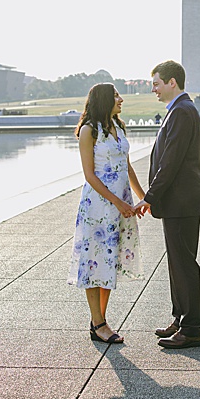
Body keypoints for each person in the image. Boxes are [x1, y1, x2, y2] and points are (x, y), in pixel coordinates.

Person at [68, 82, 147, 343]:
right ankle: (100, 323)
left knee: (109, 260)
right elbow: (89, 175)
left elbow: (127, 168)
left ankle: (98, 321)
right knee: (94, 260)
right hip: (99, 206)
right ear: (104, 99)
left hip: (120, 203)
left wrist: (142, 197)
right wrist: (117, 202)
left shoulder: (119, 128)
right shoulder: (89, 131)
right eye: (115, 95)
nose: (121, 99)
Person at [145, 60, 200, 349]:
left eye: (157, 83)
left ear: (173, 82)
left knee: (184, 264)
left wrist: (150, 196)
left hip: (182, 200)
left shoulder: (182, 112)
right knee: (177, 263)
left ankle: (192, 328)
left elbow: (169, 162)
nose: (154, 89)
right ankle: (180, 318)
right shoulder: (180, 110)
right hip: (179, 201)